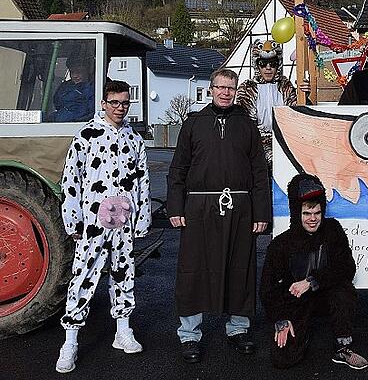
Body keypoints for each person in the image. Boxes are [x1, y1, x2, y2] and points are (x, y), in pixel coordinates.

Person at [167, 68, 271, 364]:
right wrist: (175, 207)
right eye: (220, 87)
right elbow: (178, 169)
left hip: (240, 207)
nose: (225, 92)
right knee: (194, 268)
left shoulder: (247, 125)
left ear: (236, 90)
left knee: (240, 266)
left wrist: (261, 212)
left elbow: (259, 173)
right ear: (211, 89)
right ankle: (189, 334)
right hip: (199, 208)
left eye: (230, 88)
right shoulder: (194, 124)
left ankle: (238, 328)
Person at [55, 80, 151, 373]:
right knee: (83, 276)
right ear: (103, 103)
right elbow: (71, 181)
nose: (120, 108)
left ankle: (123, 330)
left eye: (125, 103)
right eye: (114, 103)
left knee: (124, 273)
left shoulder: (134, 140)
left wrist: (142, 218)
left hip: (123, 223)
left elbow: (142, 181)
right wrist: (73, 220)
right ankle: (70, 341)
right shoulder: (86, 136)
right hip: (93, 224)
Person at [260, 173, 368, 370]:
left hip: (325, 296)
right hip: (296, 302)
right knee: (283, 360)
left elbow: (347, 267)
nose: (312, 219)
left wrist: (311, 281)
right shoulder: (280, 244)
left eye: (317, 213)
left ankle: (343, 347)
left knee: (344, 291)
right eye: (306, 214)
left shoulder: (332, 230)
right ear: (296, 213)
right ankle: (303, 331)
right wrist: (280, 319)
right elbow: (267, 289)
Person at [235, 39, 310, 165]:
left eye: (273, 64)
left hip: (284, 141)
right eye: (263, 64)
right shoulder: (248, 88)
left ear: (278, 64)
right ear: (257, 64)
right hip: (256, 144)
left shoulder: (285, 86)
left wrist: (305, 96)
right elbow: (242, 124)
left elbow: (298, 115)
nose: (268, 68)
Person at [51, 57, 96, 122]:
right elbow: (57, 103)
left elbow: (90, 111)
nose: (75, 75)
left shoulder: (94, 87)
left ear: (88, 71)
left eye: (79, 72)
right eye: (72, 72)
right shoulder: (64, 86)